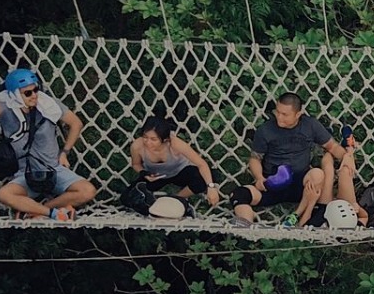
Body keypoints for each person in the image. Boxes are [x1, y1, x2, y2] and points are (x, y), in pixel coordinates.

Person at [0, 59, 97, 221]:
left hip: (54, 169)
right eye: (28, 93)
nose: (34, 95)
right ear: (15, 94)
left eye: (35, 90)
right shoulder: (7, 112)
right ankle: (54, 213)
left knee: (87, 190)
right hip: (25, 173)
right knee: (4, 194)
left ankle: (36, 211)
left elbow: (76, 123)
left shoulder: (48, 106)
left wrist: (65, 152)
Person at [232, 92, 351, 225]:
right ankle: (245, 225)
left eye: (285, 114)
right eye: (277, 112)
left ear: (298, 114)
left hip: (301, 186)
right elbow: (255, 158)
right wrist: (259, 177)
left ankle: (297, 215)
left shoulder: (309, 125)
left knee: (317, 174)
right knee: (239, 194)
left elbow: (332, 147)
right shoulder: (266, 130)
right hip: (273, 183)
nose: (279, 117)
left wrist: (347, 156)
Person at [129, 114, 221, 212]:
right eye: (145, 137)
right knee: (128, 197)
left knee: (205, 178)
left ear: (164, 139)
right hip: (156, 175)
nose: (148, 142)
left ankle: (176, 199)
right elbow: (136, 164)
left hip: (179, 172)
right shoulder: (137, 146)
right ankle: (153, 206)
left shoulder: (175, 144)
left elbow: (201, 164)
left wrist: (211, 187)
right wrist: (144, 173)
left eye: (153, 139)